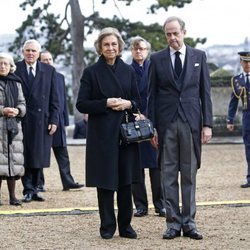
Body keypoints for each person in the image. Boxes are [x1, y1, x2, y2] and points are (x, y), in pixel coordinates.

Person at [147, 16, 213, 240]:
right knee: (168, 175)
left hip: (191, 123)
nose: (172, 38)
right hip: (165, 125)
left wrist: (207, 124)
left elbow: (206, 93)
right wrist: (151, 127)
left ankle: (190, 222)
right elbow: (151, 95)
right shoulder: (156, 59)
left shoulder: (199, 56)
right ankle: (173, 223)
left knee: (189, 174)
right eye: (168, 34)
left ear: (184, 32)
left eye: (175, 33)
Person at [76, 27, 141, 240]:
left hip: (125, 134)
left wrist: (128, 103)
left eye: (114, 44)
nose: (110, 48)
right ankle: (107, 226)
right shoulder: (91, 73)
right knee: (105, 182)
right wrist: (105, 103)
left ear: (120, 47)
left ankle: (126, 226)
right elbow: (82, 104)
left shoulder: (129, 71)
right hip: (102, 135)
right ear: (100, 48)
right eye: (106, 45)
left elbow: (139, 101)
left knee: (125, 181)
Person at [15, 39, 59, 203]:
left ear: (38, 53)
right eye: (28, 51)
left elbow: (55, 99)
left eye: (33, 51)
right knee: (25, 155)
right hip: (23, 119)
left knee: (38, 156)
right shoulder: (16, 69)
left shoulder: (49, 70)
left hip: (43, 120)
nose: (30, 54)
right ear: (23, 52)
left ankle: (36, 188)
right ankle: (28, 189)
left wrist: (54, 120)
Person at [37, 51, 84, 191]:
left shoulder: (60, 77)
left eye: (50, 59)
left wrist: (64, 122)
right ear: (39, 62)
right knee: (40, 155)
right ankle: (39, 184)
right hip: (43, 122)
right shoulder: (37, 78)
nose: (48, 62)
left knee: (63, 154)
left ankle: (68, 181)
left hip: (58, 122)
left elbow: (61, 100)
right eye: (44, 60)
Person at [129, 36, 165, 217]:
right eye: (135, 49)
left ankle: (160, 204)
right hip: (134, 120)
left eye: (142, 49)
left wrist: (150, 116)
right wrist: (136, 112)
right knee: (137, 166)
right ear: (131, 51)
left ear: (147, 51)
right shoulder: (127, 71)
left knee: (156, 166)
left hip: (153, 120)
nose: (138, 52)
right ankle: (141, 205)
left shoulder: (155, 68)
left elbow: (160, 94)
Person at [0, 53, 26, 206]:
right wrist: (3, 110)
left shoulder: (16, 83)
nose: (2, 66)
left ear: (11, 67)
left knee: (12, 163)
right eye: (0, 63)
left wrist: (18, 110)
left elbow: (23, 103)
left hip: (13, 129)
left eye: (5, 64)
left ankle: (12, 197)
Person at [227, 51, 250, 188]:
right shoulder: (237, 80)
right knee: (248, 148)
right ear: (241, 63)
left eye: (249, 61)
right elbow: (233, 102)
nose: (248, 64)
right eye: (245, 61)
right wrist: (230, 120)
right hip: (247, 116)